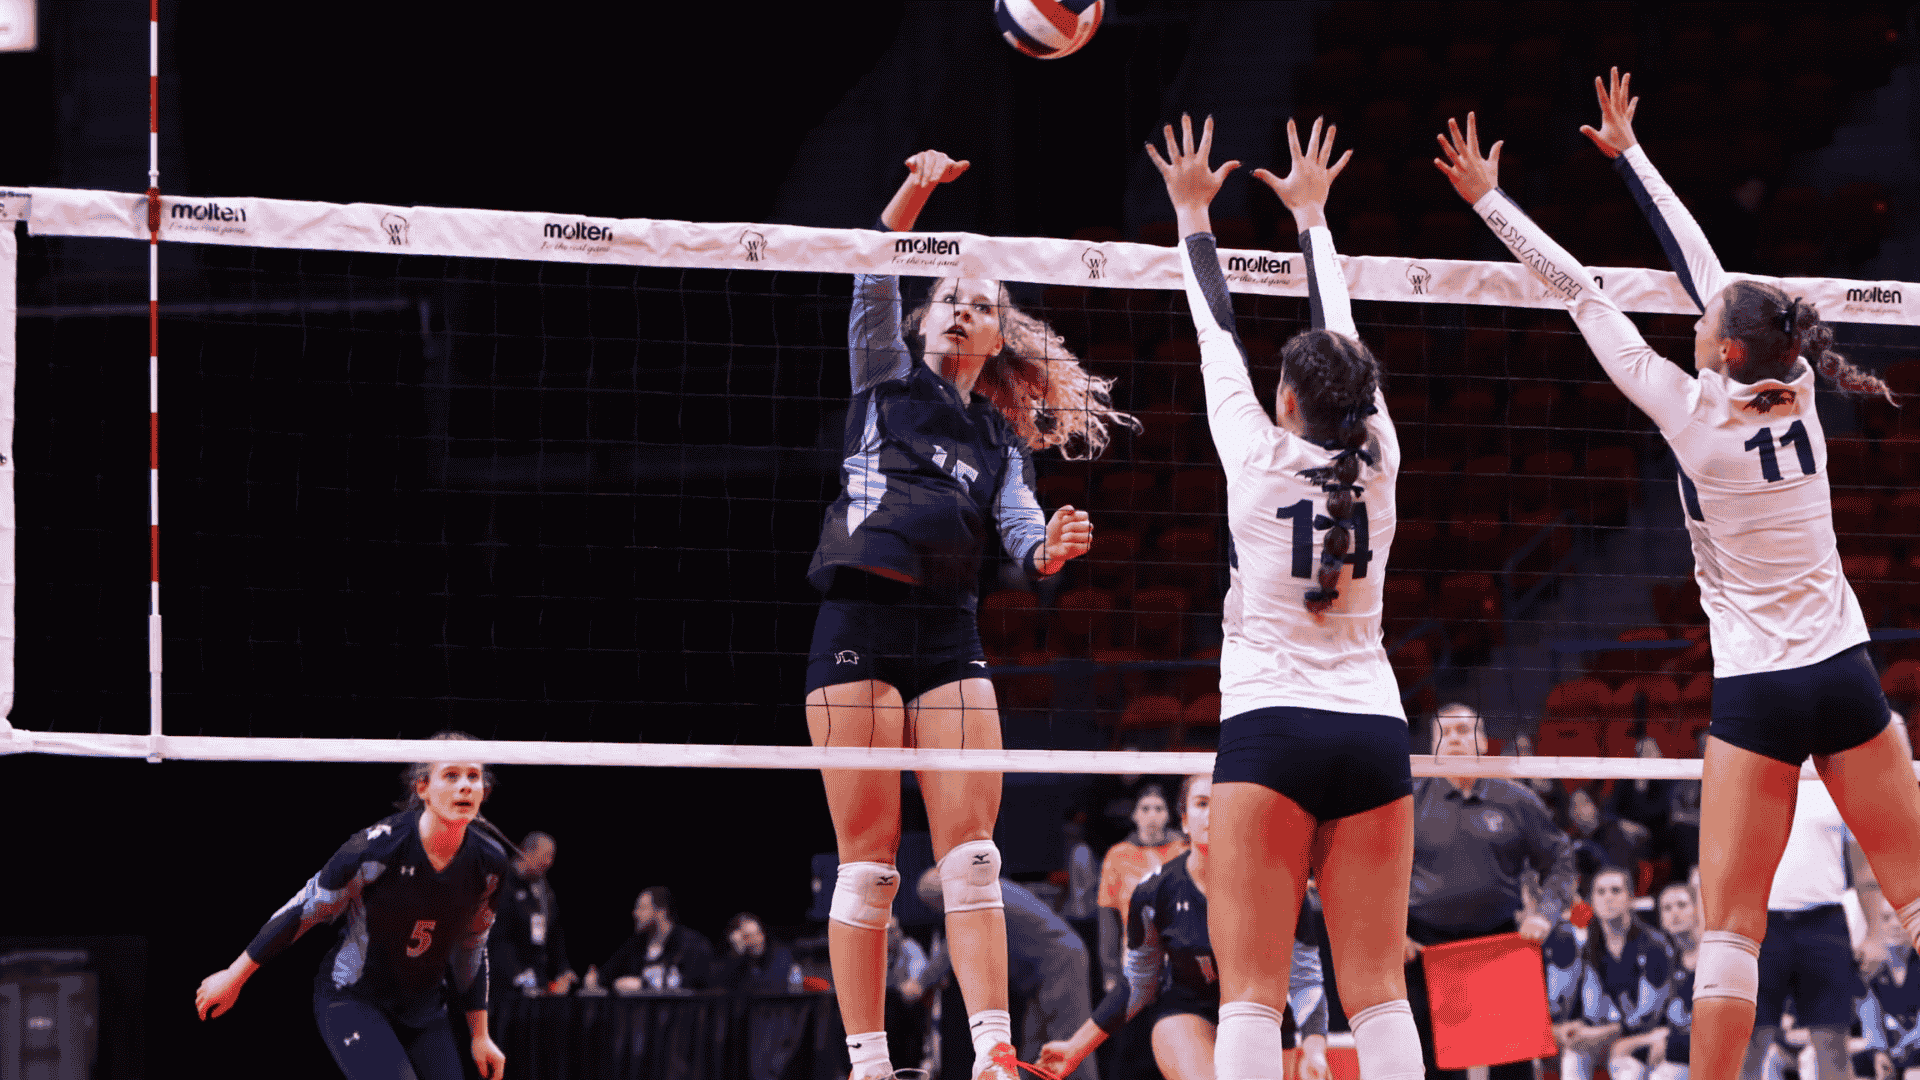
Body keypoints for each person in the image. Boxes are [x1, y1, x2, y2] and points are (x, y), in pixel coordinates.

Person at [1434, 70, 1920, 1080]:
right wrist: (1635, 158)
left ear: (1725, 348)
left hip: (1757, 694)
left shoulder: (1688, 411)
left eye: (1707, 325)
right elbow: (1713, 276)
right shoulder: (1802, 400)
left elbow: (1580, 289)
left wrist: (1491, 201)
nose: (1694, 323)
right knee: (1917, 896)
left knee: (1730, 933)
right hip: (1843, 671)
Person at [805, 147, 1132, 1080]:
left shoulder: (1001, 435)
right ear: (926, 317)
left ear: (998, 337)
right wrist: (915, 193)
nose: (962, 307)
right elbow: (872, 261)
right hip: (859, 624)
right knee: (867, 865)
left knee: (974, 859)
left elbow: (1023, 531)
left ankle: (993, 1052)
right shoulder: (882, 377)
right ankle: (869, 1063)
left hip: (949, 635)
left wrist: (1049, 550)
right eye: (950, 295)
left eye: (981, 303)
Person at [1149, 113, 1425, 1080]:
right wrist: (1314, 221)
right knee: (1380, 994)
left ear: (1291, 403)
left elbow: (1211, 321)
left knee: (1252, 997)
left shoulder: (1256, 457)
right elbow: (1344, 337)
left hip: (1270, 728)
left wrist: (1194, 215)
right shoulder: (1383, 458)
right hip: (1373, 731)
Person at [193, 732, 511, 1080]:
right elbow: (303, 910)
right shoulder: (374, 850)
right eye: (451, 775)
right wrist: (234, 976)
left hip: (424, 1010)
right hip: (353, 998)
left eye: (473, 776)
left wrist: (480, 1035)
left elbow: (472, 948)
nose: (465, 786)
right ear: (423, 787)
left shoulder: (490, 864)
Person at [1037, 774, 1331, 1080]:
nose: (1213, 813)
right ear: (1185, 821)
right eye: (1202, 803)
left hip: (1262, 1014)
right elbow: (1139, 982)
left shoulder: (1282, 885)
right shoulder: (1155, 891)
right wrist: (1076, 1047)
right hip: (1188, 1010)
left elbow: (1305, 980)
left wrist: (1314, 1051)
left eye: (1225, 803)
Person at [1408, 704, 1578, 1080]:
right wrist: (1392, 933)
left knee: (1512, 1066)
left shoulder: (1516, 800)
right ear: (1432, 746)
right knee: (1431, 1067)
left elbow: (1560, 861)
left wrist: (1545, 914)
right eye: (1444, 733)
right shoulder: (1409, 804)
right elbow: (1376, 873)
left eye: (1463, 730)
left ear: (1483, 742)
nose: (1454, 738)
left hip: (1499, 944)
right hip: (1425, 950)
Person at [916, 866, 1100, 1080]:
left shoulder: (977, 898)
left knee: (1069, 1047)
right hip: (1045, 971)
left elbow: (955, 943)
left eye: (937, 907)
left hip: (1059, 965)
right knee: (1035, 1047)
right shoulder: (986, 887)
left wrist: (920, 983)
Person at [1741, 779, 1864, 1080]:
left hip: (1824, 922)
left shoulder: (1840, 784)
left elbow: (1863, 867)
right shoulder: (1749, 776)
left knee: (1833, 1044)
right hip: (1760, 923)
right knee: (1749, 1044)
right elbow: (1720, 860)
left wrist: (1873, 933)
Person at [1557, 867, 1678, 1080]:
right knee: (1574, 1055)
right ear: (1592, 901)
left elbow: (1649, 1017)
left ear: (1630, 898)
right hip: (1611, 1034)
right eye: (1601, 892)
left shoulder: (1654, 945)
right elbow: (1584, 1007)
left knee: (1625, 1067)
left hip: (1652, 1036)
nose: (1608, 898)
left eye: (1615, 891)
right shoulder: (1590, 946)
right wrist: (1572, 1028)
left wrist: (1602, 1033)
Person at [1097, 785, 1188, 993]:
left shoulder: (1183, 851)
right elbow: (1108, 916)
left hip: (1180, 957)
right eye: (1145, 809)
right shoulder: (1118, 855)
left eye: (1159, 808)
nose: (1152, 816)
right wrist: (1110, 972)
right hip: (1135, 957)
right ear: (1135, 815)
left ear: (1168, 815)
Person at [490, 831, 576, 1004]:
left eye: (552, 857)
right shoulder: (503, 883)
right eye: (545, 856)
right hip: (504, 985)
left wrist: (563, 969)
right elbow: (498, 937)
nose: (549, 862)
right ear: (527, 852)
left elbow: (554, 933)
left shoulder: (544, 890)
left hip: (536, 983)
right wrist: (516, 974)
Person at [602, 886, 715, 992]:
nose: (635, 914)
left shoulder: (691, 944)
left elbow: (696, 985)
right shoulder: (636, 945)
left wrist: (643, 985)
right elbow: (607, 975)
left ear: (661, 912)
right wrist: (596, 980)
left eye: (642, 908)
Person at [1858, 894, 1920, 1080]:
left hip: (1915, 1055)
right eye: (1886, 918)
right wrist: (1878, 1053)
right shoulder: (1874, 976)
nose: (1894, 924)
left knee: (1912, 1075)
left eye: (1901, 918)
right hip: (1891, 1056)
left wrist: (1899, 1050)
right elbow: (1871, 1026)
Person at [719, 913, 798, 996]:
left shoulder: (781, 956)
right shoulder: (738, 960)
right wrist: (738, 952)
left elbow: (775, 987)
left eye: (758, 934)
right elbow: (729, 988)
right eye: (747, 936)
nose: (756, 940)